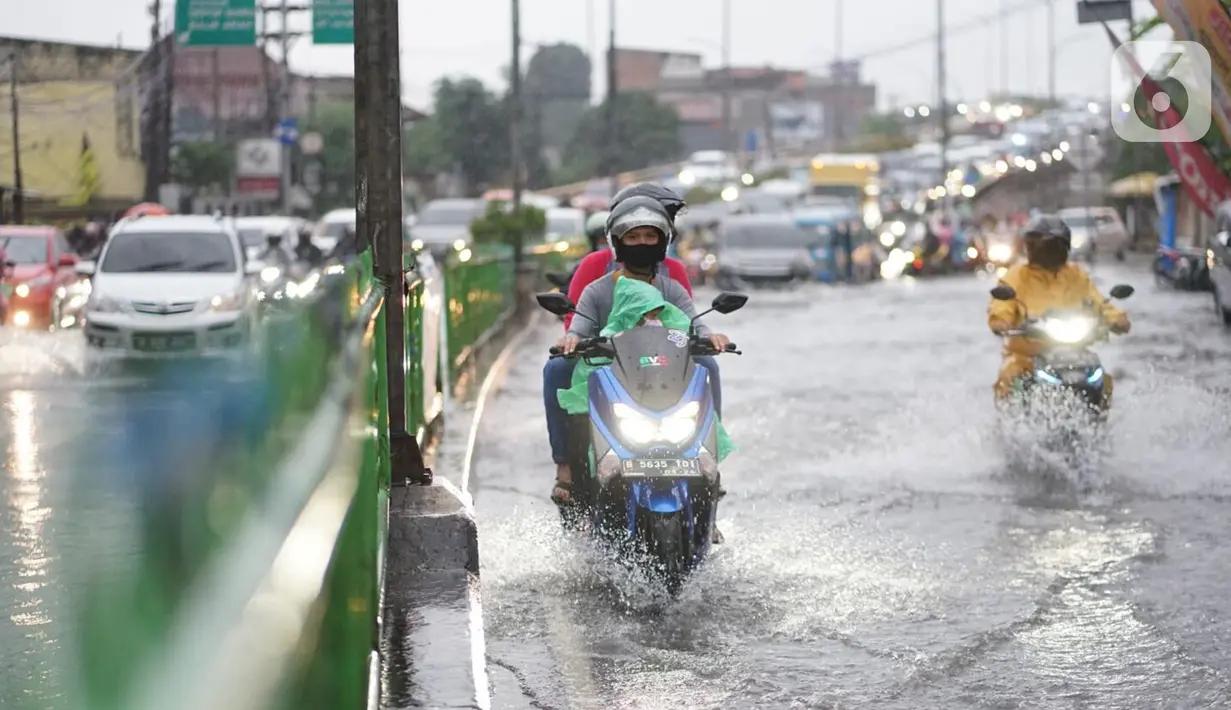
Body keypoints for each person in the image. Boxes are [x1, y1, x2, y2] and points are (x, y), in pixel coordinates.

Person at [545, 197, 731, 509]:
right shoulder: (597, 288)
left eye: (649, 236)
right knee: (556, 372)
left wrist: (711, 336)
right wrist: (571, 340)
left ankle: (707, 458)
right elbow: (576, 328)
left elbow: (694, 323)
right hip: (611, 369)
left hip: (663, 368)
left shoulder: (672, 287)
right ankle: (567, 465)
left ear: (662, 241)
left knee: (707, 366)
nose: (641, 243)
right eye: (633, 237)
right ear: (618, 243)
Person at [987, 214, 1131, 404]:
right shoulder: (1016, 276)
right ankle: (1010, 424)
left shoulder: (1076, 274)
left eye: (1052, 245)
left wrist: (1116, 319)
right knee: (1010, 376)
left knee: (1101, 378)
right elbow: (1001, 307)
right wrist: (1002, 323)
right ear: (1029, 247)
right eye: (1038, 245)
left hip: (1075, 351)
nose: (1045, 250)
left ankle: (1099, 422)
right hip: (1028, 355)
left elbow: (1098, 302)